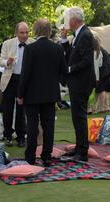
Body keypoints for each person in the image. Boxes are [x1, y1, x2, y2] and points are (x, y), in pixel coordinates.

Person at [17, 19, 67, 167]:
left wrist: (20, 94)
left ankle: (30, 156)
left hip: (32, 94)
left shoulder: (30, 49)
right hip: (50, 93)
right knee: (48, 126)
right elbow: (63, 71)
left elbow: (25, 74)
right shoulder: (57, 48)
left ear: (35, 30)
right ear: (49, 31)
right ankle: (46, 156)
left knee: (32, 126)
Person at [61, 6, 95, 162]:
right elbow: (71, 55)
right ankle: (79, 147)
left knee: (80, 117)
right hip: (77, 82)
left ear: (74, 19)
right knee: (76, 117)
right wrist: (63, 40)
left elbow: (86, 61)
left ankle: (82, 152)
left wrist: (69, 69)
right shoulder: (79, 34)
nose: (67, 21)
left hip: (81, 83)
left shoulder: (85, 34)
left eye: (68, 18)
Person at [0, 22, 33, 147]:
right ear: (16, 33)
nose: (25, 35)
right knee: (7, 109)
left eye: (27, 32)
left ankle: (21, 136)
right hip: (10, 79)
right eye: (22, 32)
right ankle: (7, 135)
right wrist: (7, 62)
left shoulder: (32, 42)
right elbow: (0, 61)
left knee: (22, 109)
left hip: (25, 80)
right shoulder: (7, 44)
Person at [91, 37, 110, 114]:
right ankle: (105, 107)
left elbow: (98, 65)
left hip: (104, 72)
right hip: (109, 71)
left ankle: (101, 108)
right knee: (106, 89)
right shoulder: (101, 49)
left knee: (101, 90)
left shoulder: (97, 51)